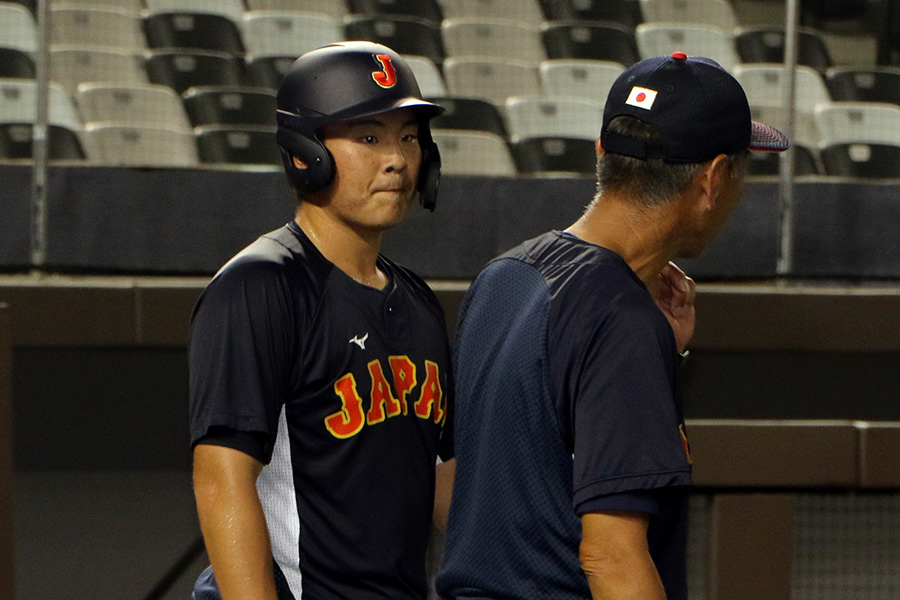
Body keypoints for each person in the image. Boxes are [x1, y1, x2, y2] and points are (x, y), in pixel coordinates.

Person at [436, 52, 789, 600]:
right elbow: (610, 556)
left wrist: (659, 354)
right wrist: (638, 346)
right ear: (713, 178)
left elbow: (461, 488)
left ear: (603, 151)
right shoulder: (620, 318)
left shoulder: (504, 277)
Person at [188, 41, 455, 600]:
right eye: (368, 136)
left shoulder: (418, 301)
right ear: (306, 151)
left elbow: (445, 484)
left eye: (409, 136)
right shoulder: (261, 286)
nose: (398, 160)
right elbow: (220, 482)